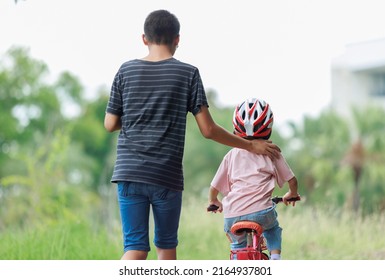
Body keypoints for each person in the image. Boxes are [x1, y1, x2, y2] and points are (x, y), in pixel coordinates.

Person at [104, 10, 281, 260]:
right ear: (177, 39)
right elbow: (208, 130)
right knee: (166, 247)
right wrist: (251, 146)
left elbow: (110, 123)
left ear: (144, 38)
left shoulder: (126, 71)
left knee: (135, 248)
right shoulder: (188, 73)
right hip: (165, 175)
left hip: (129, 172)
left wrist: (141, 118)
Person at [208, 97, 299, 260]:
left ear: (236, 127)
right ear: (269, 126)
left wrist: (213, 201)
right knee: (272, 229)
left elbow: (214, 187)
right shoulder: (273, 153)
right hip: (262, 213)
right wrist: (292, 193)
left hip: (232, 216)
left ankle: (237, 259)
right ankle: (275, 257)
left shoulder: (231, 155)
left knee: (237, 244)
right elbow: (292, 181)